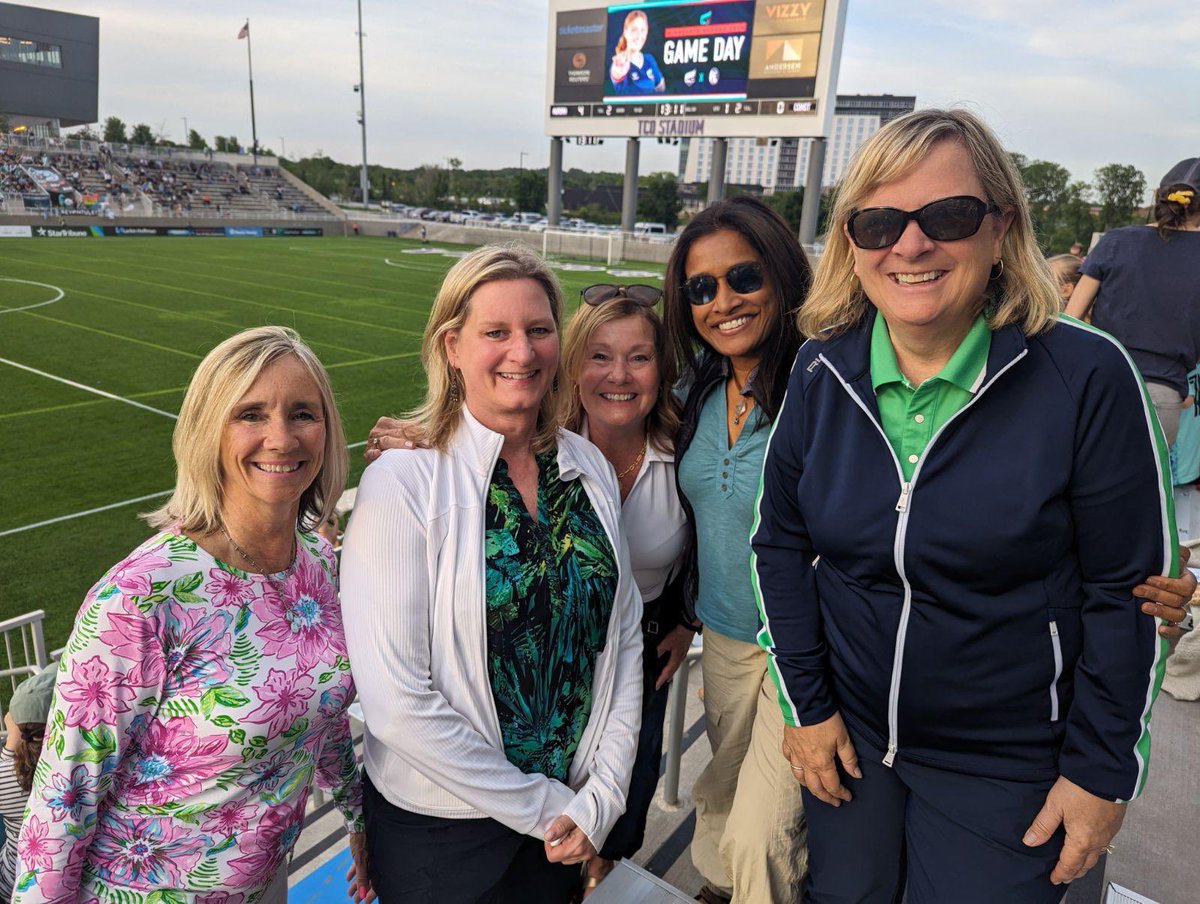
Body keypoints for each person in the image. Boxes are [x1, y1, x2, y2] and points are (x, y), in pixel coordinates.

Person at [753, 108, 1180, 902]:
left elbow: (1129, 596)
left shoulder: (1085, 376)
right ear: (852, 242)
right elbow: (778, 547)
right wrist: (806, 707)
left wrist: (1100, 773)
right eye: (878, 223)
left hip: (1011, 761)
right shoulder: (821, 370)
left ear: (1000, 227)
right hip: (853, 746)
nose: (909, 246)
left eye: (947, 216)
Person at [13, 327, 370, 903]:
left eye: (302, 413)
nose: (280, 438)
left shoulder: (322, 567)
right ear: (208, 431)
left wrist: (359, 821)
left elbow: (322, 713)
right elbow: (63, 801)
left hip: (262, 886)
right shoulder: (141, 597)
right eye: (250, 414)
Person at [340, 244, 643, 903]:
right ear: (452, 345)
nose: (522, 352)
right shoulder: (403, 481)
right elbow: (398, 704)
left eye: (538, 330)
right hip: (445, 841)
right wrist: (548, 809)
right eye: (495, 333)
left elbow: (621, 640)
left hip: (566, 825)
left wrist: (603, 799)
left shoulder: (587, 468)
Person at [666, 196, 813, 904]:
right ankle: (717, 890)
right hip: (722, 636)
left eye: (743, 278)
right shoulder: (696, 389)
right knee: (720, 794)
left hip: (807, 650)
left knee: (765, 834)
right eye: (702, 287)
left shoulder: (822, 383)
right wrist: (431, 432)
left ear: (781, 276)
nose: (722, 301)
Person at [559, 288, 692, 893]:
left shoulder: (686, 450)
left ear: (661, 370)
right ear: (572, 366)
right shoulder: (532, 446)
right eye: (599, 356)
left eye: (638, 357)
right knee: (553, 800)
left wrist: (686, 619)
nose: (618, 375)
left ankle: (602, 876)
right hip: (553, 653)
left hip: (644, 652)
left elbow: (715, 541)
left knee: (627, 793)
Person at [1066, 157, 1200, 446]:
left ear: (1160, 196)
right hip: (1162, 395)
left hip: (1097, 385)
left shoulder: (1116, 241)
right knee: (1143, 491)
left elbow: (1070, 320)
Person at [0, 669, 56, 900]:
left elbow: (9, 768)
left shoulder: (5, 775)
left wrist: (12, 739)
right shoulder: (71, 768)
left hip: (12, 881)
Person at [610, 10, 665, 96]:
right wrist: (618, 71)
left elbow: (661, 87)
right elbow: (617, 73)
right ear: (626, 32)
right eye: (634, 30)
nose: (639, 35)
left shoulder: (649, 59)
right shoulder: (620, 62)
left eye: (642, 30)